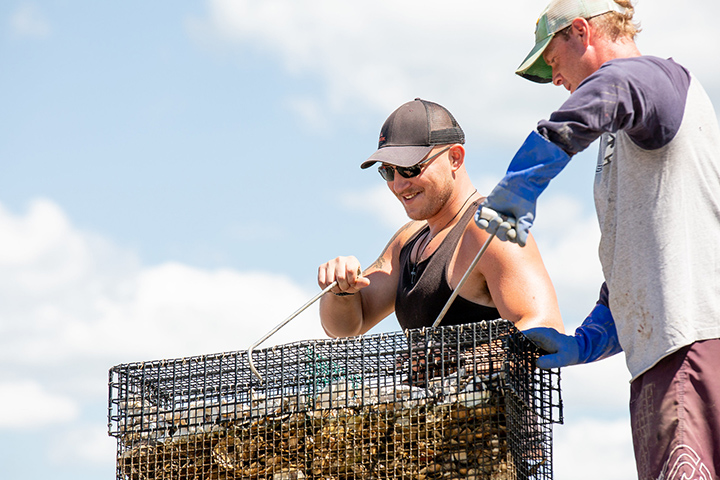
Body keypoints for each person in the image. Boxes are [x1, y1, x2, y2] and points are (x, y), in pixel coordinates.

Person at [475, 0, 720, 478]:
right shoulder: (623, 140)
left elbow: (616, 84)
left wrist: (526, 176)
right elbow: (635, 271)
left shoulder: (657, 80)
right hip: (662, 360)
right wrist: (584, 342)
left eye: (552, 61)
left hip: (689, 352)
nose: (556, 80)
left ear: (582, 31)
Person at [317, 98, 564, 339]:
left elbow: (545, 326)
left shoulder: (491, 229)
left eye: (410, 168)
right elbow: (346, 327)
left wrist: (453, 362)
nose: (399, 184)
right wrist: (341, 290)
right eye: (388, 172)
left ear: (454, 158)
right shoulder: (408, 240)